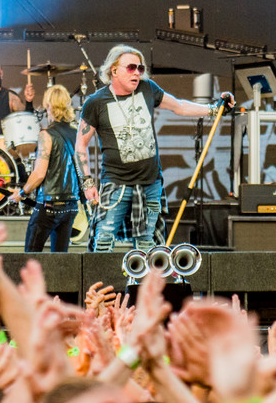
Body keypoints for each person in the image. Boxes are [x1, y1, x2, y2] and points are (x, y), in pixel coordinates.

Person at [75, 45, 233, 252]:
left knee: (147, 242)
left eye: (140, 68)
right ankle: (100, 284)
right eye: (131, 67)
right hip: (116, 184)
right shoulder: (96, 102)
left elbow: (179, 106)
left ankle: (145, 284)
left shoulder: (148, 88)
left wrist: (215, 109)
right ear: (113, 70)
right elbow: (81, 143)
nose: (137, 73)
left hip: (150, 183)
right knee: (104, 238)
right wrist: (87, 183)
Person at [9, 84, 81, 252]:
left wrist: (21, 193)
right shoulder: (76, 132)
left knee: (31, 256)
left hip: (49, 204)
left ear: (49, 105)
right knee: (61, 260)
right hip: (71, 204)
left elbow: (39, 174)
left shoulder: (46, 134)